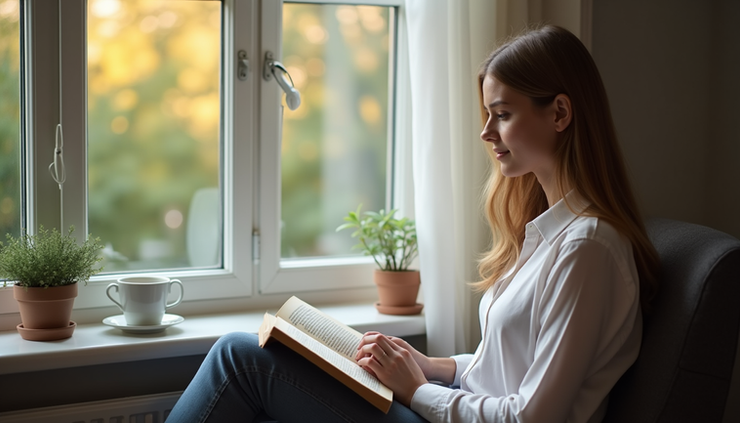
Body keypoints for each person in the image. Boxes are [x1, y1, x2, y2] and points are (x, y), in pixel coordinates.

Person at [165, 25, 658, 423]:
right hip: (446, 406)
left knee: (240, 358)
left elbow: (532, 416)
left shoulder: (586, 249)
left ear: (560, 113)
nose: (486, 133)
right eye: (487, 114)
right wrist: (430, 366)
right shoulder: (545, 234)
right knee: (256, 361)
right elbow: (501, 370)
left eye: (502, 114)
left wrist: (419, 391)